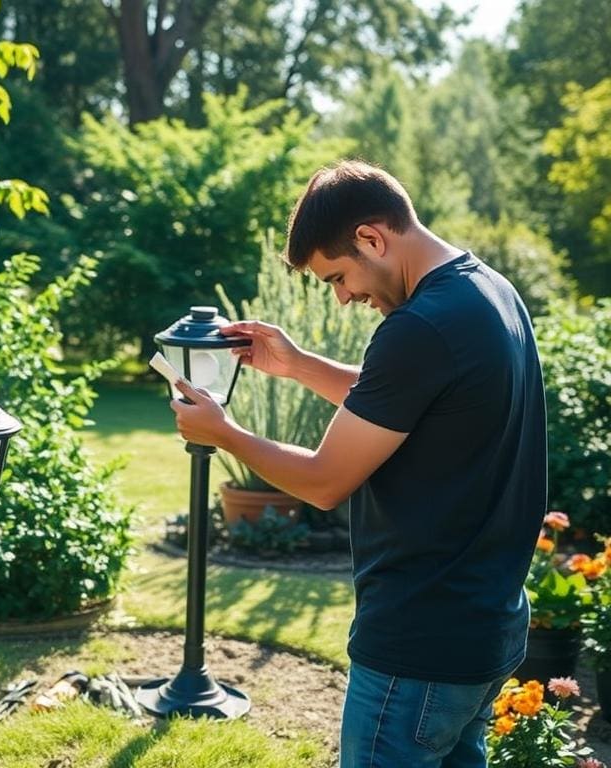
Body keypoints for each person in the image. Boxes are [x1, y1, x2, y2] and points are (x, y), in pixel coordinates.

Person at [169, 160, 547, 768]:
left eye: (338, 276)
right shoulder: (488, 292)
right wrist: (297, 365)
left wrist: (225, 433)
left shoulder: (417, 328)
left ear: (373, 237)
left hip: (417, 647)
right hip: (485, 631)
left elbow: (323, 483)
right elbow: (412, 400)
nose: (344, 298)